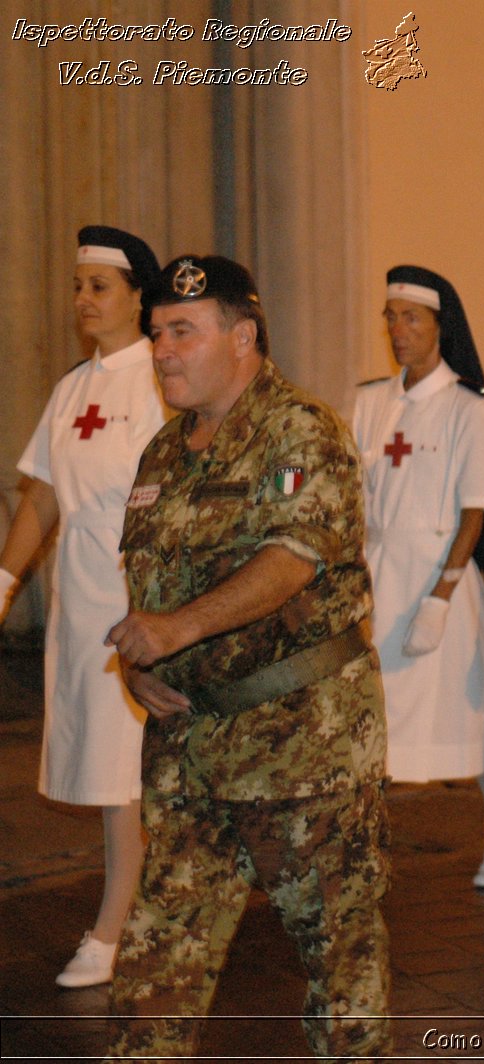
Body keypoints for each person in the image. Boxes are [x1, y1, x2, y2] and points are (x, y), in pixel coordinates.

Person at [104, 255, 390, 1058]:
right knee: (157, 958)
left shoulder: (301, 431)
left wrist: (176, 631)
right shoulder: (164, 453)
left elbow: (291, 559)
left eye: (182, 332)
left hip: (303, 746)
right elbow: (152, 583)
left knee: (339, 956)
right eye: (156, 333)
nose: (162, 351)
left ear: (243, 336)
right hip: (190, 752)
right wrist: (142, 659)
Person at [0, 226, 163, 989]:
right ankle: (136, 907)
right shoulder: (74, 387)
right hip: (80, 602)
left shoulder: (161, 381)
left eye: (99, 286)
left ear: (139, 295)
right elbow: (42, 492)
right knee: (109, 767)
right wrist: (2, 582)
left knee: (122, 769)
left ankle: (111, 926)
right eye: (78, 286)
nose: (83, 300)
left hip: (140, 599)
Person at [353, 265, 484, 888]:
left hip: (438, 581)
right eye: (391, 317)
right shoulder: (372, 401)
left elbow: (476, 509)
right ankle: (359, 848)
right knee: (367, 720)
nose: (398, 330)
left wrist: (442, 595)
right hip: (378, 578)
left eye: (412, 319)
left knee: (465, 717)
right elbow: (346, 487)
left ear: (439, 327)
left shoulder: (466, 407)